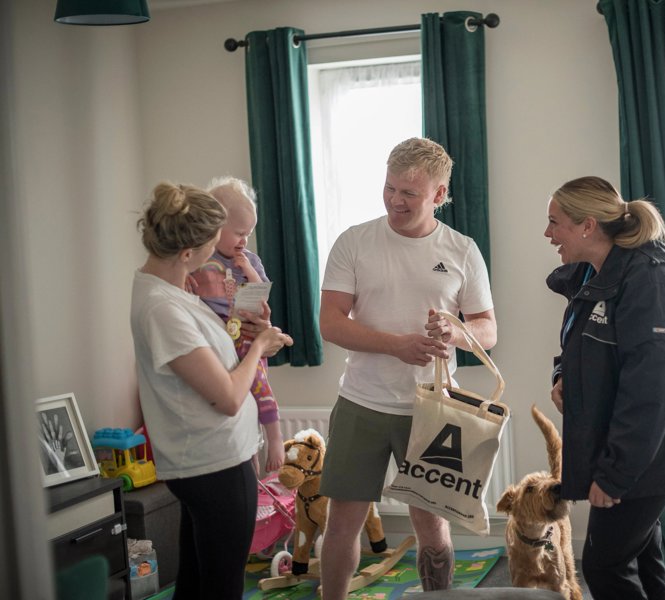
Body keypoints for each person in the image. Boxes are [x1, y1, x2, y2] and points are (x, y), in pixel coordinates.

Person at [318, 137, 497, 600]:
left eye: (409, 193)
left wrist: (455, 334)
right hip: (362, 401)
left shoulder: (462, 249)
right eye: (390, 188)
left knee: (432, 526)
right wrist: (396, 346)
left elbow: (488, 329)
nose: (396, 200)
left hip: (434, 409)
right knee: (342, 524)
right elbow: (331, 323)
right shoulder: (354, 241)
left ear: (439, 194)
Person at [544, 176, 665, 600]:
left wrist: (615, 474)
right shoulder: (593, 272)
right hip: (628, 443)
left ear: (587, 226)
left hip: (648, 450)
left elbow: (652, 391)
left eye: (554, 222)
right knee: (641, 554)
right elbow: (580, 342)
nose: (548, 234)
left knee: (605, 565)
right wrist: (563, 375)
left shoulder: (650, 278)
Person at [130, 182, 293, 600]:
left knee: (198, 581)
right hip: (212, 462)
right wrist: (260, 346)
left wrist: (251, 326)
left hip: (211, 459)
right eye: (209, 247)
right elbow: (227, 397)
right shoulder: (163, 307)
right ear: (187, 252)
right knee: (221, 586)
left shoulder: (173, 291)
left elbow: (218, 346)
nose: (216, 256)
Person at [190, 176, 285, 473]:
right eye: (239, 233)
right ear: (215, 228)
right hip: (217, 339)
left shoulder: (249, 261)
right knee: (237, 409)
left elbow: (260, 296)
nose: (245, 241)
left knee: (259, 388)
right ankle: (250, 460)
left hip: (244, 332)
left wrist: (248, 272)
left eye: (249, 233)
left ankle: (275, 437)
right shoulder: (199, 261)